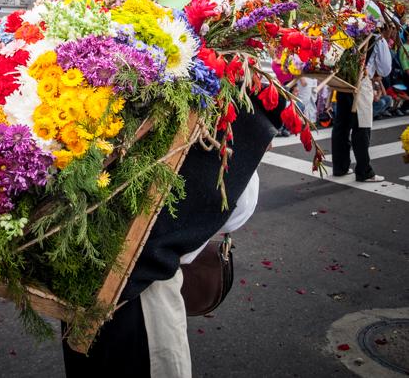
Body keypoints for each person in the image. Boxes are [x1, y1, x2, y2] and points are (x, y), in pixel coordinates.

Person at [62, 97, 284, 376]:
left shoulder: (90, 91)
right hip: (142, 295)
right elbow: (238, 207)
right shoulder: (200, 99)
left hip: (77, 281)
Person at [331, 27, 392, 182]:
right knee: (362, 126)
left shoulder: (345, 30)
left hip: (343, 80)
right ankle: (364, 171)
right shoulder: (377, 38)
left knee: (341, 125)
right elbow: (385, 69)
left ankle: (340, 167)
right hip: (360, 81)